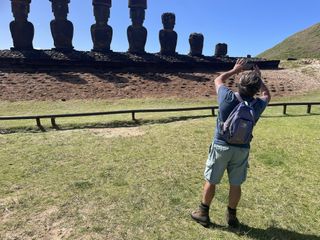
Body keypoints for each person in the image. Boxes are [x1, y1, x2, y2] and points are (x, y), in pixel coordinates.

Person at [191, 58, 271, 228]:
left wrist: (235, 70)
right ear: (255, 89)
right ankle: (232, 217)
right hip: (242, 149)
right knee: (236, 184)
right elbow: (267, 95)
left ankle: (203, 213)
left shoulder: (227, 98)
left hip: (221, 145)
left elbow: (218, 80)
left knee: (211, 180)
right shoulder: (257, 105)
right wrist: (259, 78)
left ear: (239, 84)